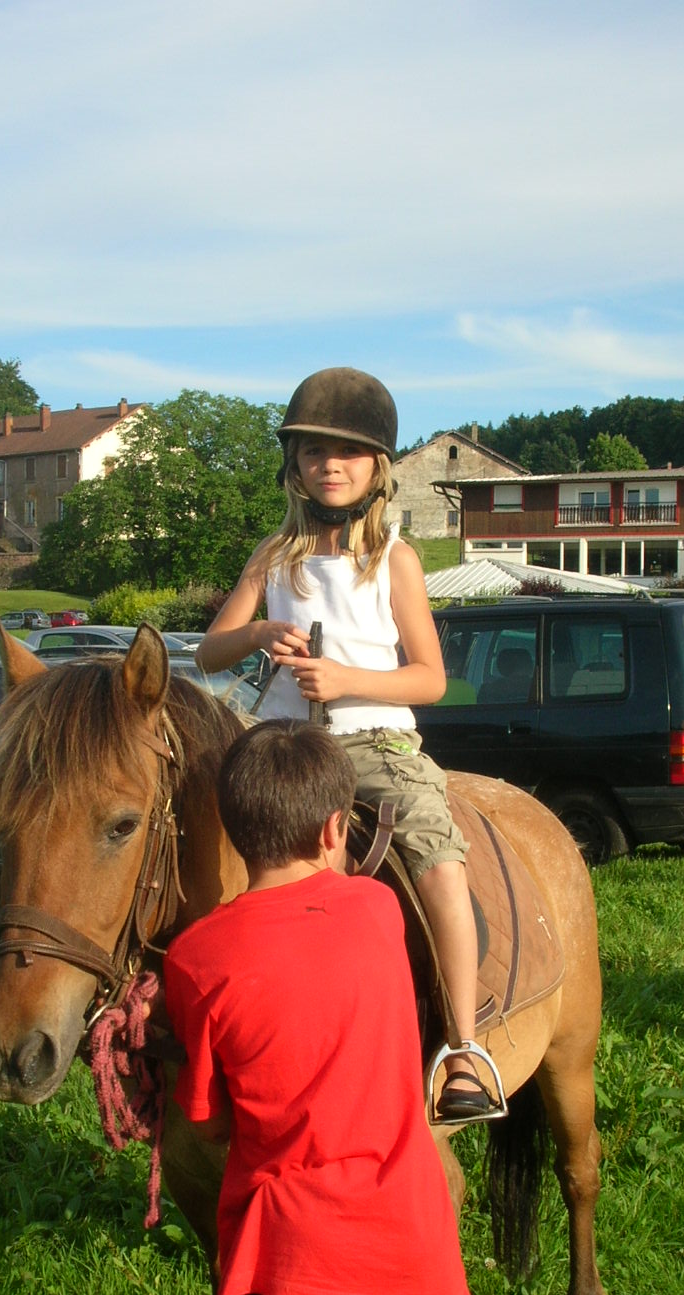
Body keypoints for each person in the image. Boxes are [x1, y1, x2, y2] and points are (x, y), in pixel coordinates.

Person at [164, 720, 470, 1295]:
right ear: (337, 830)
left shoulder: (197, 959)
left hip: (291, 1259)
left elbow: (213, 1123)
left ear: (229, 826)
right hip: (413, 1247)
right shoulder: (378, 910)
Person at [196, 366, 498, 1122]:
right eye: (314, 452)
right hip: (275, 741)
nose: (330, 465)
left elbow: (430, 680)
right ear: (294, 465)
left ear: (377, 469)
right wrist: (259, 631)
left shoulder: (394, 559)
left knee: (436, 856)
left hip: (372, 744)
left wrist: (345, 678)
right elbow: (208, 654)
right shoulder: (273, 555)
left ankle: (464, 1046)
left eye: (349, 453)